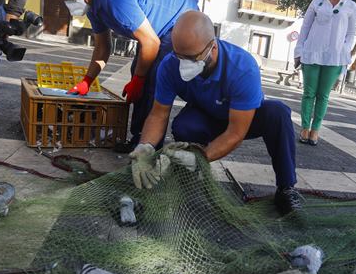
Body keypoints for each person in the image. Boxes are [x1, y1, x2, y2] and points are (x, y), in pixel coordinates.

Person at [129, 11, 303, 215]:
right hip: (206, 115)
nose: (184, 65)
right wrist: (145, 146)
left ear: (212, 47)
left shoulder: (242, 68)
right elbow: (158, 114)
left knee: (278, 113)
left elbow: (236, 133)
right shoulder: (169, 66)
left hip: (241, 118)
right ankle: (188, 177)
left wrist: (203, 158)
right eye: (179, 56)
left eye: (192, 58)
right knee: (184, 126)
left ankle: (286, 187)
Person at [44, 0, 199, 150]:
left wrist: (139, 80)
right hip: (157, 30)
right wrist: (87, 81)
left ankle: (148, 145)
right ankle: (139, 137)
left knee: (154, 75)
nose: (68, 3)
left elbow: (151, 43)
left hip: (181, 19)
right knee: (139, 69)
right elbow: (103, 47)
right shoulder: (92, 3)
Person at [294, 0, 356, 146]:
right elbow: (305, 28)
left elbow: (351, 33)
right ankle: (305, 128)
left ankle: (315, 130)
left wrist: (344, 49)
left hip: (334, 58)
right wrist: (300, 51)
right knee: (309, 93)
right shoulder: (317, 2)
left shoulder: (351, 7)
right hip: (312, 54)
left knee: (323, 95)